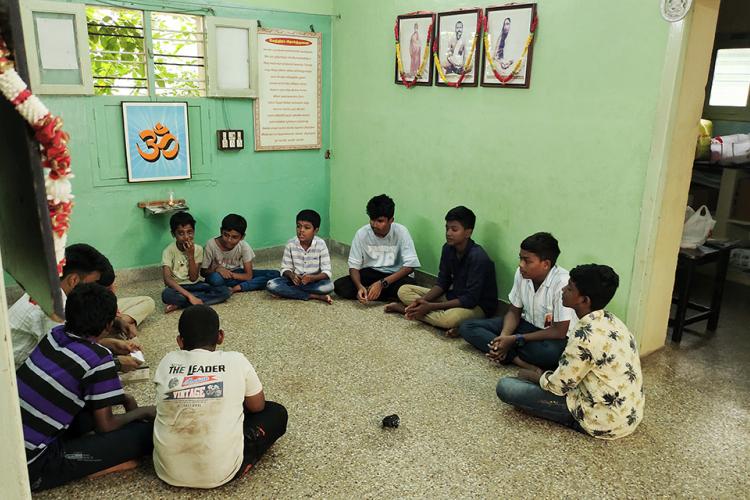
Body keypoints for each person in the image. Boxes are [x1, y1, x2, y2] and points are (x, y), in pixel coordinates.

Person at [18, 283, 156, 492]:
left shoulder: (55, 335)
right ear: (109, 325)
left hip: (14, 440)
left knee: (87, 414)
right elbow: (106, 425)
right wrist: (141, 412)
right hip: (32, 467)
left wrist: (108, 345)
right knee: (147, 433)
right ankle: (95, 466)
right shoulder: (99, 360)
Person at [496, 264, 644, 440]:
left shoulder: (584, 334)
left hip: (601, 421)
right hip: (629, 415)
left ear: (584, 300)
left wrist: (533, 375)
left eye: (570, 288)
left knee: (507, 386)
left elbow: (558, 387)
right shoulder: (613, 321)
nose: (563, 290)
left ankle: (570, 419)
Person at [153, 305, 288, 488]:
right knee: (276, 412)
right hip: (221, 474)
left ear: (180, 341)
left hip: (167, 471)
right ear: (220, 336)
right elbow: (257, 406)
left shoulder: (168, 361)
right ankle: (242, 451)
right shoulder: (236, 360)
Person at [9, 243, 139, 371]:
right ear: (73, 280)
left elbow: (69, 342)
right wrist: (115, 363)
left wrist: (110, 344)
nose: (96, 289)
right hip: (15, 378)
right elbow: (65, 359)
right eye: (94, 283)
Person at [458, 232, 575, 371]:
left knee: (551, 354)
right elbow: (514, 311)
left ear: (546, 264)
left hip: (550, 337)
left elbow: (559, 331)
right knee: (467, 327)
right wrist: (504, 336)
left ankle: (504, 349)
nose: (521, 264)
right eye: (520, 258)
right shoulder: (521, 274)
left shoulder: (562, 282)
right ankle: (517, 359)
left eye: (527, 261)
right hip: (525, 325)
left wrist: (515, 339)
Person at [385, 206, 497, 336]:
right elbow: (442, 282)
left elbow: (470, 299)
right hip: (454, 296)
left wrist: (430, 306)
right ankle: (420, 311)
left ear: (468, 232)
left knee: (448, 320)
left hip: (478, 306)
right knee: (403, 290)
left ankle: (407, 310)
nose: (449, 233)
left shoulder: (478, 257)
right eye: (447, 228)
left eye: (454, 229)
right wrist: (423, 301)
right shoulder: (448, 248)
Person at [333, 194, 421, 303]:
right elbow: (354, 267)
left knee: (409, 287)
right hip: (372, 273)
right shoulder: (362, 233)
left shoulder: (401, 232)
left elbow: (410, 266)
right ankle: (379, 294)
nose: (374, 225)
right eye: (372, 219)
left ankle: (376, 292)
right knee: (340, 286)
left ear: (391, 220)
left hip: (394, 276)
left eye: (380, 221)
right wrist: (360, 286)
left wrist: (382, 284)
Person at [161, 211, 231, 313]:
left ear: (194, 232)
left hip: (195, 285)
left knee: (225, 291)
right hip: (177, 288)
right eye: (181, 233)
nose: (186, 237)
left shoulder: (198, 249)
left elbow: (193, 278)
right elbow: (167, 280)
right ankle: (194, 300)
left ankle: (181, 304)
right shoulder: (168, 251)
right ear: (173, 234)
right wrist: (190, 296)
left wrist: (191, 255)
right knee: (167, 294)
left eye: (189, 232)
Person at [267, 209, 334, 303]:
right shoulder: (290, 243)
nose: (301, 230)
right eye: (298, 226)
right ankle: (313, 296)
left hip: (314, 282)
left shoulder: (321, 244)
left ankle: (287, 292)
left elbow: (327, 272)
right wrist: (292, 275)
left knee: (329, 287)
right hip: (295, 282)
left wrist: (311, 278)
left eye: (307, 228)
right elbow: (285, 268)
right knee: (271, 285)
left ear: (316, 230)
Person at [201, 213, 280, 293]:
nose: (229, 240)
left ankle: (238, 287)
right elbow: (203, 272)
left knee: (275, 274)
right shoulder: (211, 244)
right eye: (226, 235)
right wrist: (217, 269)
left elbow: (248, 275)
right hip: (219, 276)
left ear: (242, 237)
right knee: (215, 279)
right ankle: (249, 285)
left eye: (234, 237)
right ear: (221, 231)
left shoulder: (244, 246)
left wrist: (231, 274)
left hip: (237, 274)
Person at [98, 260, 155, 340]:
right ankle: (111, 327)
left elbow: (113, 306)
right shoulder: (83, 295)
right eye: (109, 288)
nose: (113, 287)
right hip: (97, 316)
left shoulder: (106, 281)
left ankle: (114, 326)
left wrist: (120, 321)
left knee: (148, 301)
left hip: (110, 314)